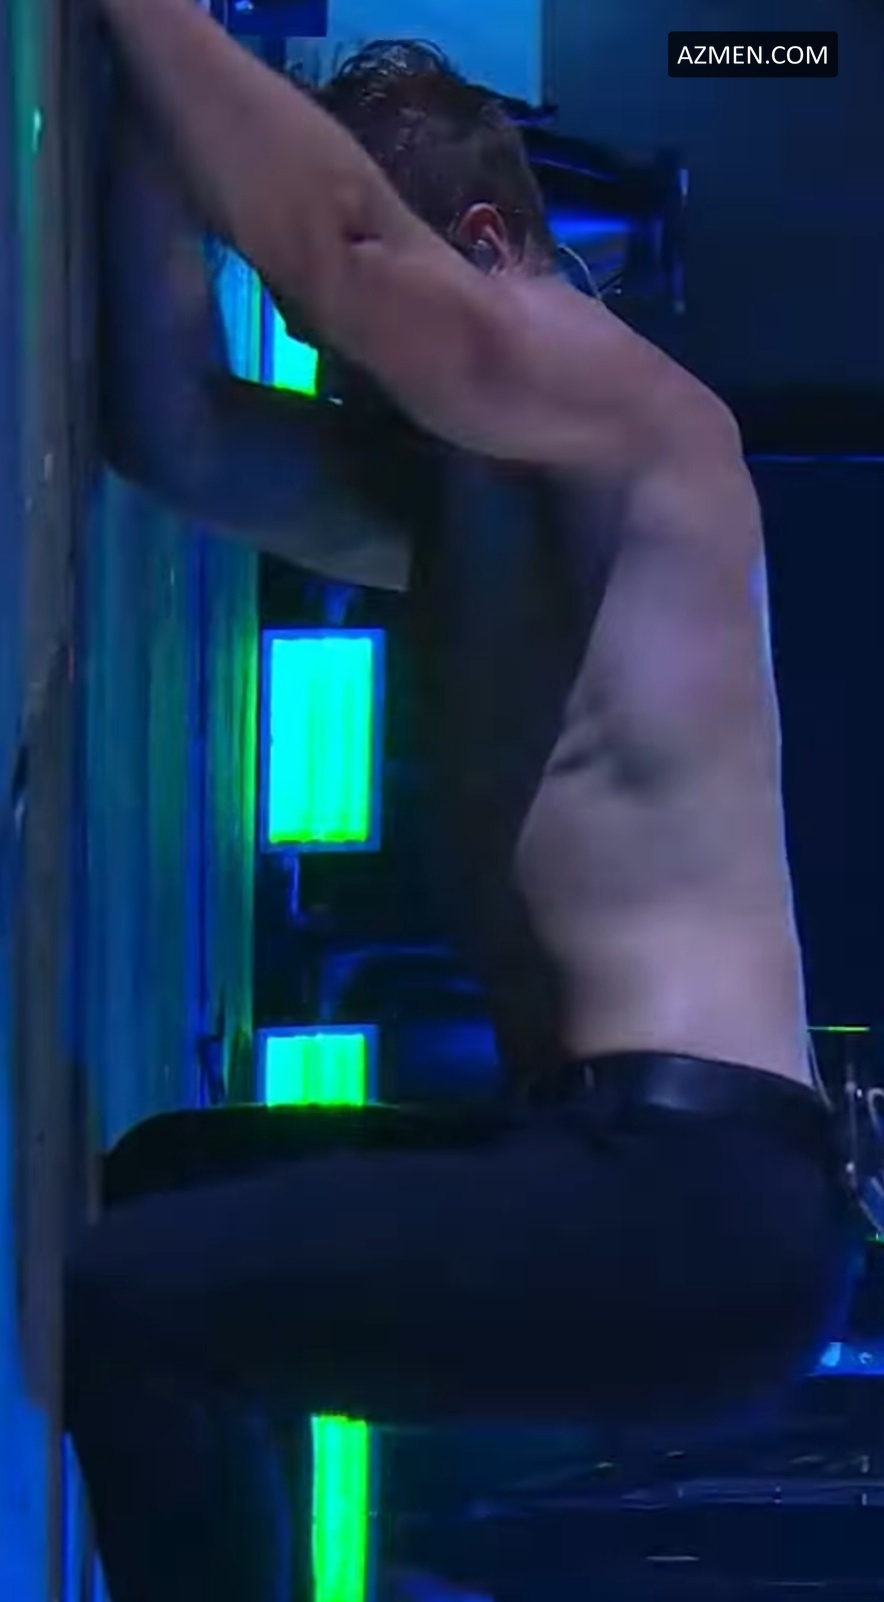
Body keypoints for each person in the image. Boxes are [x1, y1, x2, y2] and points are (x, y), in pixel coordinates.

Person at [66, 6, 859, 1601]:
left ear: (484, 245)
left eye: (369, 361)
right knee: (166, 1186)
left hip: (701, 1206)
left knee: (134, 1297)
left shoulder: (645, 425)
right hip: (612, 1162)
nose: (353, 389)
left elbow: (345, 255)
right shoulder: (471, 506)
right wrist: (152, 125)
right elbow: (179, 433)